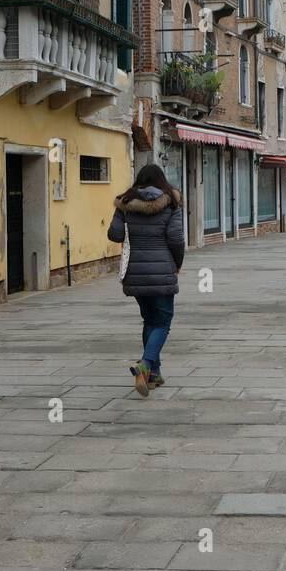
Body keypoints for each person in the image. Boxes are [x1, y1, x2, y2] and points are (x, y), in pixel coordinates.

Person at [107, 164, 184, 397]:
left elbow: (115, 234)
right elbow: (176, 238)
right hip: (162, 270)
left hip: (135, 271)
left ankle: (153, 375)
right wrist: (177, 264)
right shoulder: (171, 202)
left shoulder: (125, 204)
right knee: (163, 321)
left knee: (149, 320)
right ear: (162, 180)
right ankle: (146, 363)